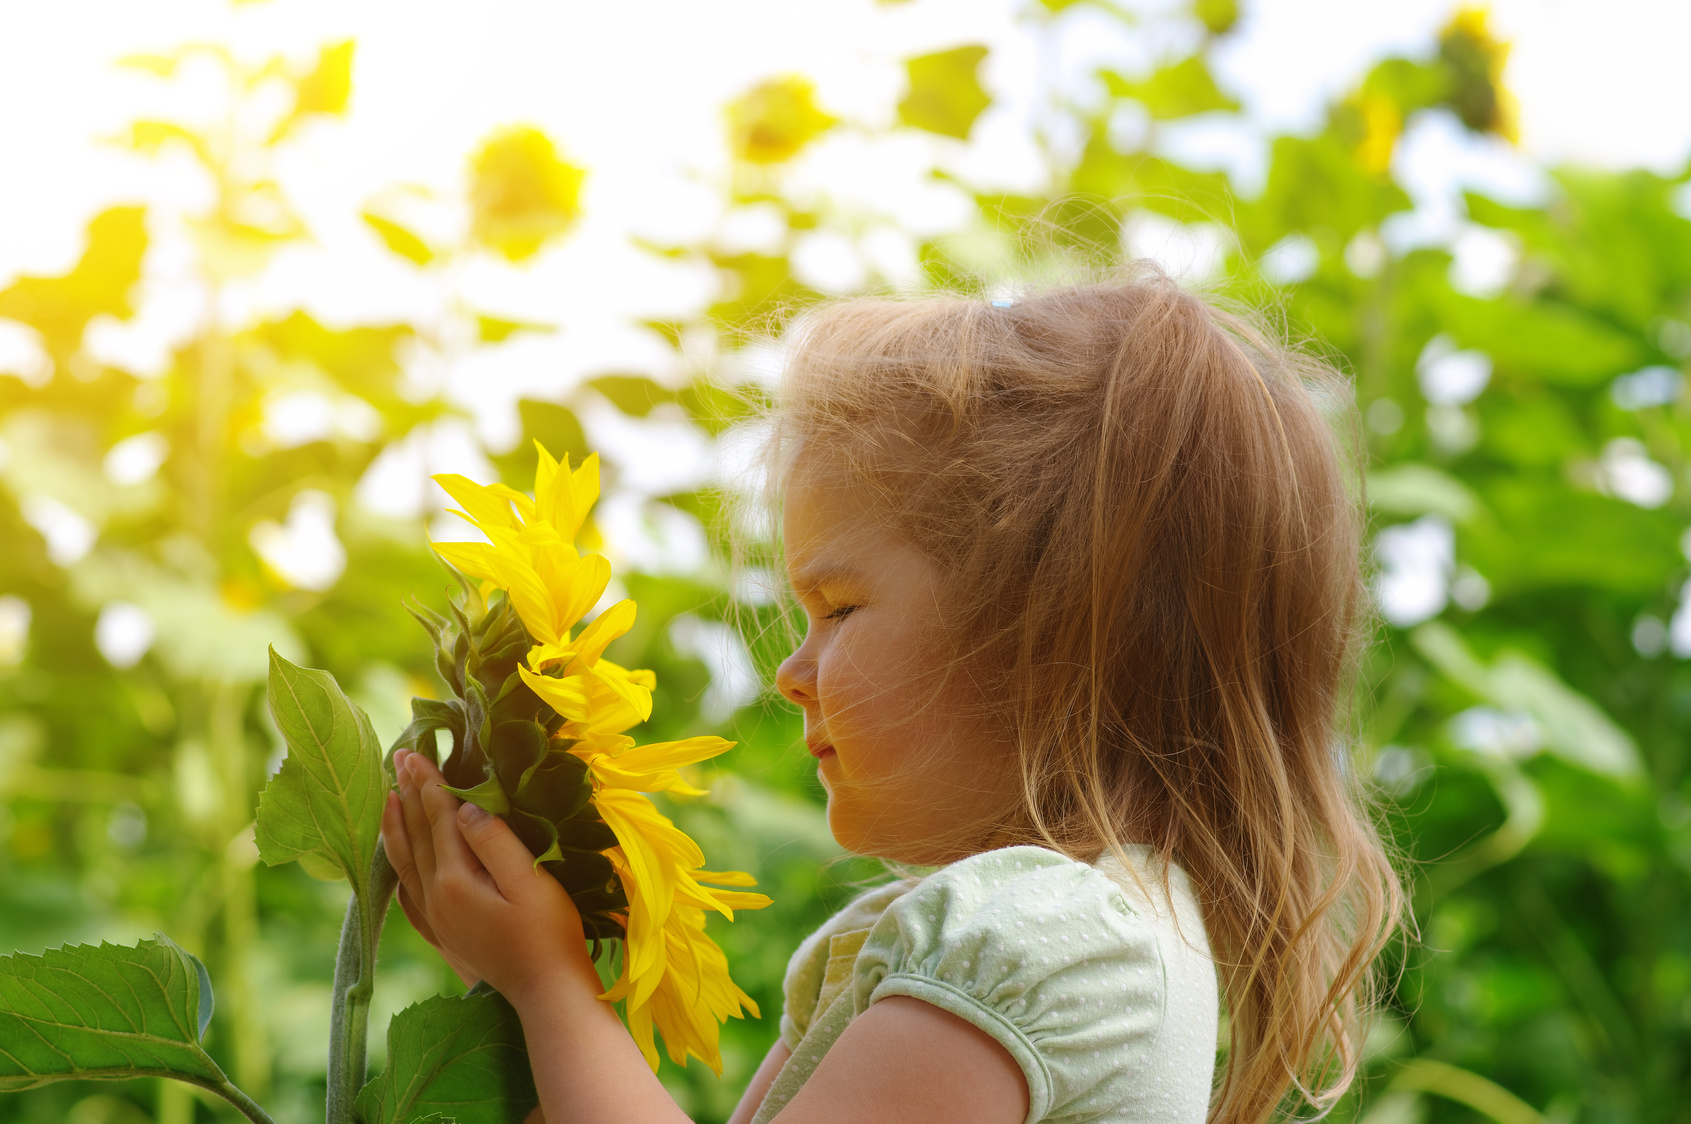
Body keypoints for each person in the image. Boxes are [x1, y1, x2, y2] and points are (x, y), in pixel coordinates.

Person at [381, 270, 1403, 1124]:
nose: (789, 671)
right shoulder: (975, 930)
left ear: (1043, 633)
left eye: (836, 607)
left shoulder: (1047, 937)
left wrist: (550, 987)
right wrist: (514, 991)